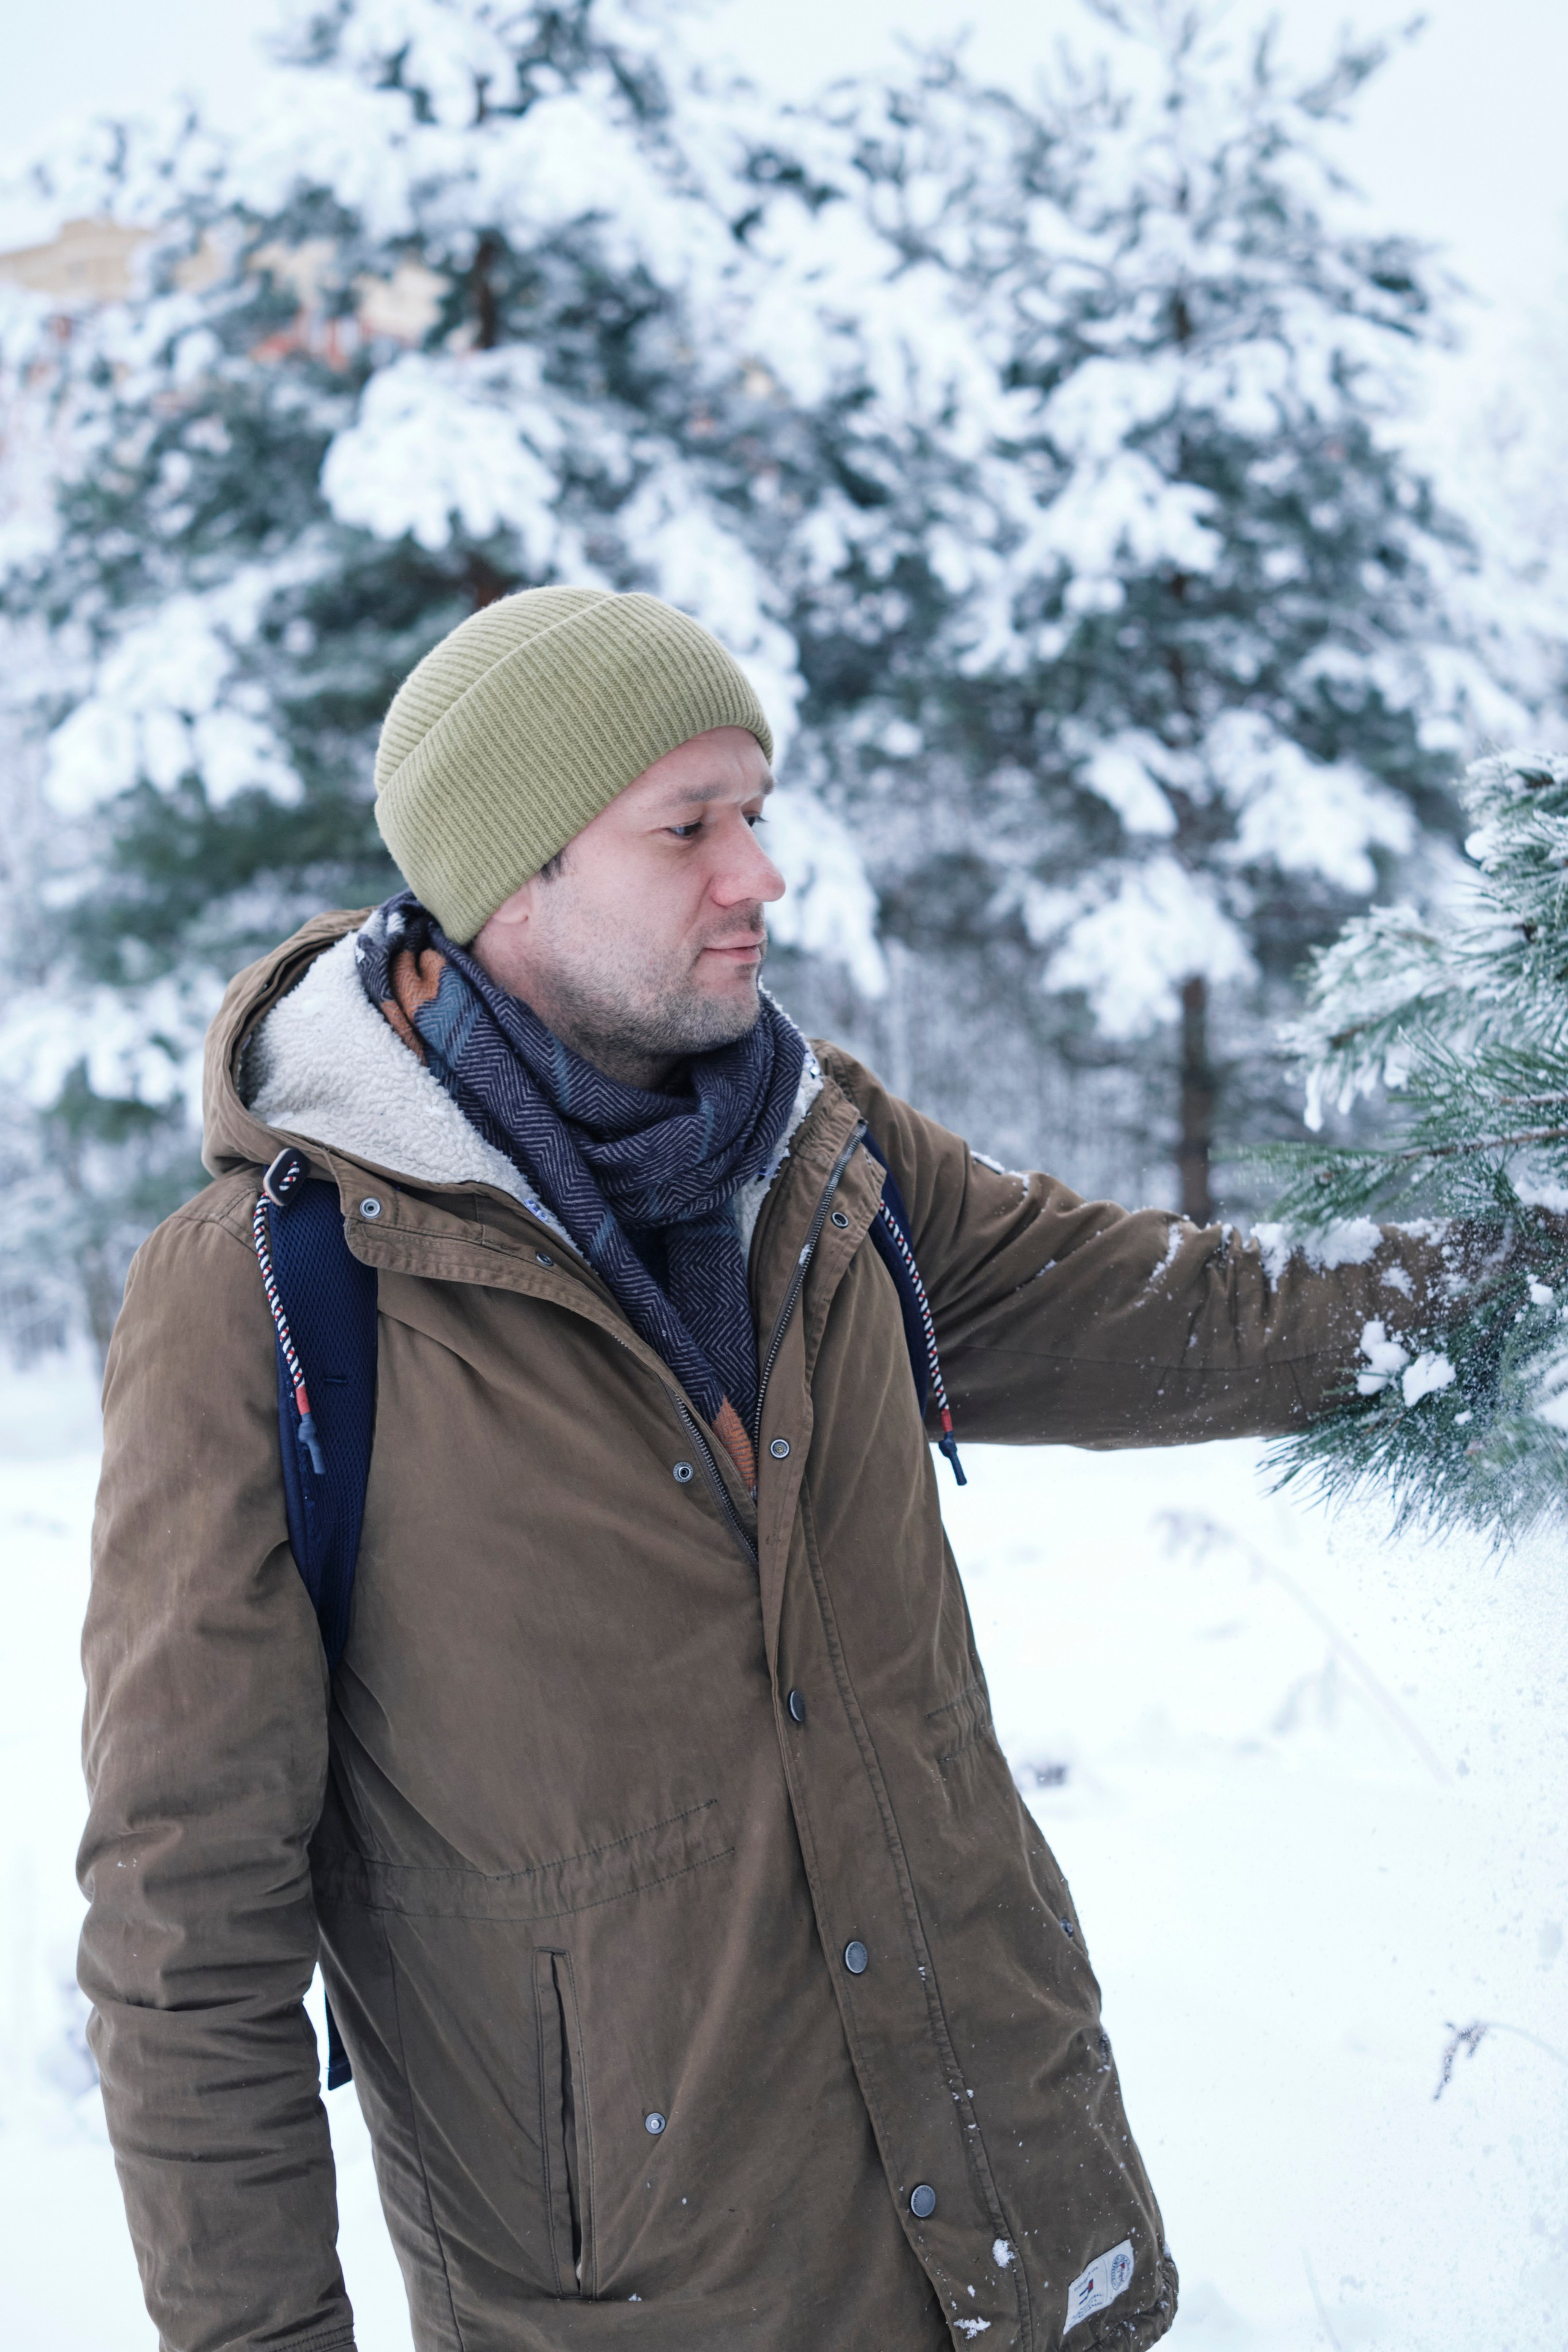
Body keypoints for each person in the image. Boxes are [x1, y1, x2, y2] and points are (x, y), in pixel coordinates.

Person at [80, 587, 1453, 2352]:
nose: (760, 876)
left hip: (1025, 2241)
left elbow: (1154, 1309)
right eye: (690, 828)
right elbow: (183, 1915)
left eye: (759, 813)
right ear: (517, 880)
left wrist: (1508, 1290)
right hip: (649, 2299)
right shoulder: (275, 1294)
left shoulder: (821, 1148)